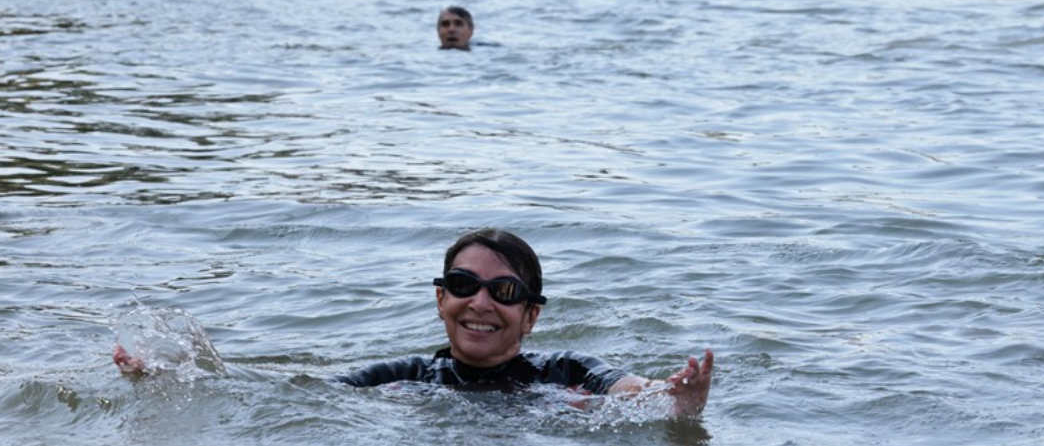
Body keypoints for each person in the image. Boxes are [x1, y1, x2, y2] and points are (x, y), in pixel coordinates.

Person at [115, 229, 715, 419]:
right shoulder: (406, 376)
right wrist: (179, 377)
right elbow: (294, 397)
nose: (479, 303)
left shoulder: (566, 371)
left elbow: (629, 392)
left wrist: (676, 401)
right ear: (440, 300)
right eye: (462, 286)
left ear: (531, 316)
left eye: (503, 292)